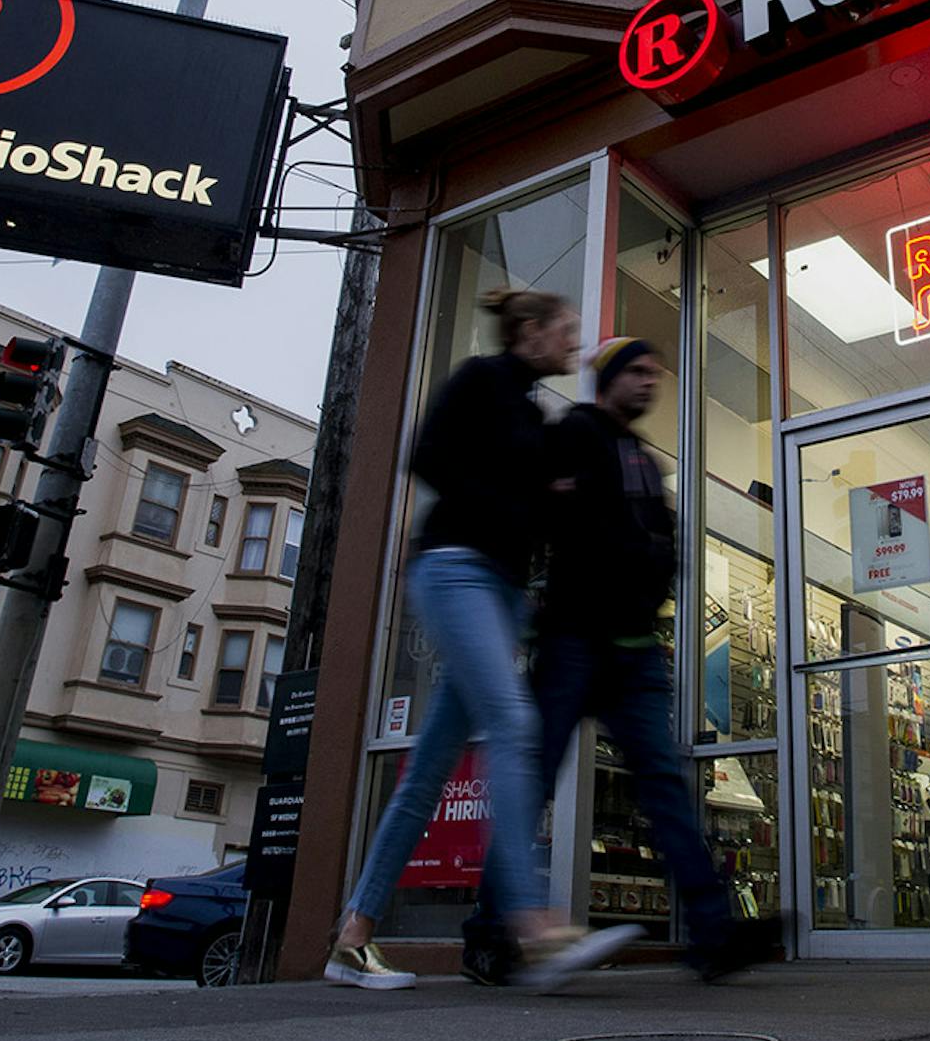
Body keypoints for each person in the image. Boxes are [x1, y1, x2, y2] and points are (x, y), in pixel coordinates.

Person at [326, 289, 642, 992]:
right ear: (529, 331)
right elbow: (428, 456)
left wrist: (552, 499)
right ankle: (534, 926)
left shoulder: (536, 411)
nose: (572, 342)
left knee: (431, 766)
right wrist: (518, 498)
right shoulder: (479, 378)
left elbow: (525, 501)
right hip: (452, 568)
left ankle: (353, 936)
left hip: (500, 591)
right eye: (564, 330)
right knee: (513, 721)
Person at [462, 337, 772, 986]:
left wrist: (650, 569)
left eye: (655, 372)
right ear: (607, 377)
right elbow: (540, 504)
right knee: (533, 780)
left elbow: (661, 538)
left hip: (634, 650)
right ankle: (491, 933)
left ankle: (713, 936)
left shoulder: (644, 459)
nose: (649, 381)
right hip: (574, 639)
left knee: (663, 784)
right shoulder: (575, 431)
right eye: (637, 371)